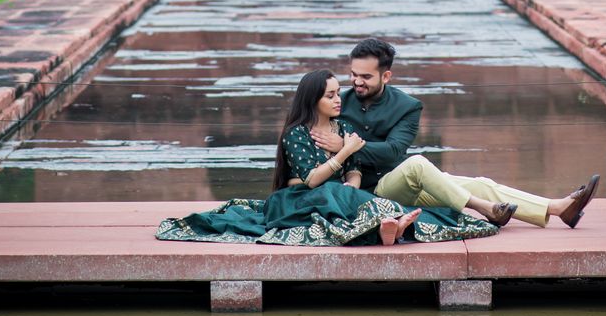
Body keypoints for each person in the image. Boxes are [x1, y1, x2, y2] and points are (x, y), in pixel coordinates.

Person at [154, 68, 508, 248]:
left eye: (339, 94)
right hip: (299, 198)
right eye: (331, 95)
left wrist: (349, 171)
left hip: (336, 192)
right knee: (333, 195)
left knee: (352, 195)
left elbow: (352, 173)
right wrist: (344, 155)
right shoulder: (297, 132)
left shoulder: (341, 127)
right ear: (313, 100)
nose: (339, 100)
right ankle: (386, 227)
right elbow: (311, 179)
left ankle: (389, 226)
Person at [310, 36, 601, 231]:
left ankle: (559, 208)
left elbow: (393, 151)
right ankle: (489, 209)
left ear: (386, 76)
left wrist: (345, 146)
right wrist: (340, 152)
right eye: (353, 74)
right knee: (420, 163)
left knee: (478, 182)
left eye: (365, 77)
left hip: (396, 186)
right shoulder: (337, 102)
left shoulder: (408, 107)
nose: (356, 82)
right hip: (362, 194)